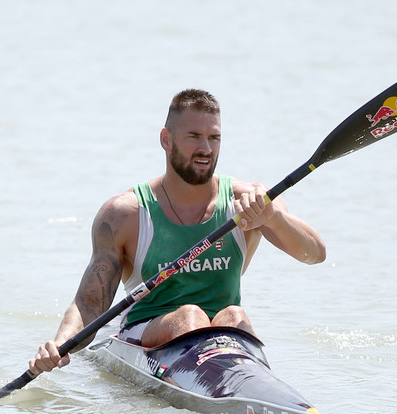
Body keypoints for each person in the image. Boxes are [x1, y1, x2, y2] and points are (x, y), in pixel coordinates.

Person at [29, 89, 326, 375]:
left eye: (214, 138)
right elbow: (89, 303)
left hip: (226, 334)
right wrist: (60, 344)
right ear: (166, 140)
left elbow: (314, 254)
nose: (206, 149)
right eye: (194, 137)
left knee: (236, 316)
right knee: (189, 316)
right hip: (147, 332)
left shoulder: (249, 202)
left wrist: (272, 217)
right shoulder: (125, 214)